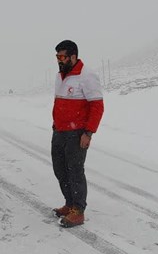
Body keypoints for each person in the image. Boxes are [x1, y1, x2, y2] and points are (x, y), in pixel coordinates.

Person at [51, 40, 104, 228]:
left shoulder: (87, 75)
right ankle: (69, 203)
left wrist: (88, 132)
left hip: (77, 133)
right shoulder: (61, 76)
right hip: (59, 132)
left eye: (62, 56)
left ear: (73, 56)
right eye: (57, 56)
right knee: (60, 169)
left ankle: (78, 211)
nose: (59, 60)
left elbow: (97, 106)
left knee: (75, 171)